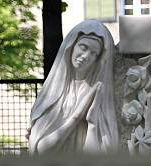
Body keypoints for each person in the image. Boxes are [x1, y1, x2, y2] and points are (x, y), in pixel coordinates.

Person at [27, 20, 118, 154]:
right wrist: (75, 118)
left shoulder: (97, 91)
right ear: (72, 46)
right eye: (83, 47)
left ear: (98, 59)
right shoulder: (54, 93)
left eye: (94, 53)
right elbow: (41, 150)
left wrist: (92, 124)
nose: (86, 56)